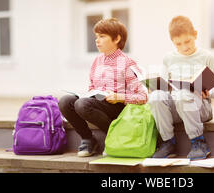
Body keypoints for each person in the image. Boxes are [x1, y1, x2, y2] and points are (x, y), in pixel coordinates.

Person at [58, 18, 147, 157]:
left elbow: (143, 97)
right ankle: (88, 139)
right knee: (65, 101)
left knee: (82, 104)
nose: (97, 40)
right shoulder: (97, 61)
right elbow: (92, 86)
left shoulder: (127, 63)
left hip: (117, 107)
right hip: (98, 103)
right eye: (96, 37)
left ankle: (114, 136)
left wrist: (119, 97)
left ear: (116, 38)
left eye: (102, 36)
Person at [148, 16, 214, 160]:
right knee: (156, 96)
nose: (184, 47)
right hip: (177, 106)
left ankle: (198, 142)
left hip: (200, 106)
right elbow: (164, 86)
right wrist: (155, 88)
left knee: (183, 95)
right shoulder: (168, 58)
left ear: (195, 34)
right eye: (178, 44)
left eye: (187, 41)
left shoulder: (207, 57)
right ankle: (168, 143)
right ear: (173, 42)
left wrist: (208, 93)